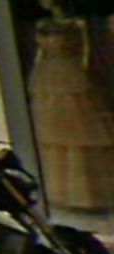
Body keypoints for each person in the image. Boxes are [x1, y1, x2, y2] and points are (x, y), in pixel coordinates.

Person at [29, 0, 114, 210]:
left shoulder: (77, 23)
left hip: (71, 74)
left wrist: (86, 76)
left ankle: (90, 193)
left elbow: (87, 52)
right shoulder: (42, 24)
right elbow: (39, 53)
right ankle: (60, 192)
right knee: (54, 135)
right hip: (48, 77)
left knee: (81, 132)